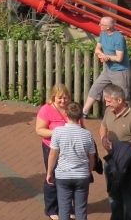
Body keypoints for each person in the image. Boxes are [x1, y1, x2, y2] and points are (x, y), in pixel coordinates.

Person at [99, 83, 131, 220]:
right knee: (113, 195)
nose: (107, 105)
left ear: (119, 100)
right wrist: (103, 138)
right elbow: (103, 127)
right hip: (111, 162)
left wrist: (121, 149)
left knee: (130, 197)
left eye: (109, 101)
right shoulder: (109, 112)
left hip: (128, 164)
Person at [35, 83, 81, 220]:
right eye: (60, 98)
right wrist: (58, 132)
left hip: (70, 149)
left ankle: (69, 208)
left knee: (69, 178)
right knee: (52, 177)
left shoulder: (72, 109)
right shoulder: (46, 110)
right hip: (51, 147)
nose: (63, 101)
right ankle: (52, 209)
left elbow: (81, 127)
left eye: (66, 98)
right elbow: (39, 130)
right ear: (53, 97)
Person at [46, 102, 97, 220]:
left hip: (63, 175)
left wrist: (49, 172)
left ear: (66, 114)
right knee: (81, 209)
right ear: (80, 117)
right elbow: (91, 157)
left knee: (64, 209)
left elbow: (53, 155)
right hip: (82, 176)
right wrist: (88, 172)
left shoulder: (58, 132)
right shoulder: (87, 134)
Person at [82, 16, 131, 116]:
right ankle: (84, 112)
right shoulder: (103, 34)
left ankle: (127, 118)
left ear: (108, 27)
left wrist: (106, 57)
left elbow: (119, 58)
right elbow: (97, 49)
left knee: (122, 96)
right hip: (108, 70)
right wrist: (101, 55)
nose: (99, 25)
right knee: (95, 88)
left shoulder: (118, 38)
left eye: (101, 24)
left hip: (120, 72)